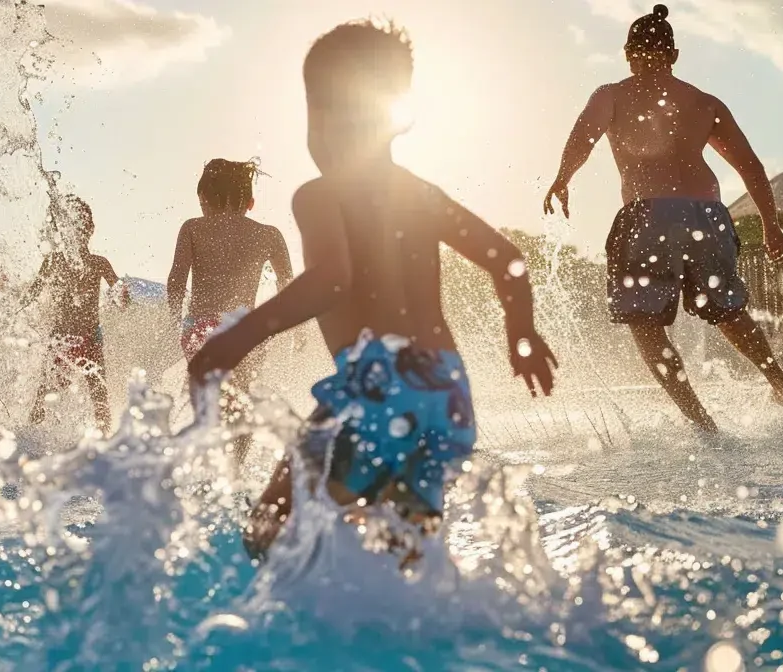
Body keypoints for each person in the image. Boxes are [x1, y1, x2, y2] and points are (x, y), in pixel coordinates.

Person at [188, 19, 558, 563]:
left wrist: (236, 338)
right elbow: (508, 260)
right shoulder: (422, 193)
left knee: (267, 533)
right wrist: (521, 336)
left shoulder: (319, 194)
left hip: (378, 384)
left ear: (322, 115)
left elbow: (332, 277)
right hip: (447, 394)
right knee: (406, 551)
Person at [543, 4, 783, 432]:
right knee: (728, 311)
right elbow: (751, 167)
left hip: (648, 214)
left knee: (645, 323)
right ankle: (782, 385)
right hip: (709, 215)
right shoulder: (705, 102)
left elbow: (584, 137)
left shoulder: (611, 94)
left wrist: (563, 178)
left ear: (628, 54)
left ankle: (703, 423)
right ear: (674, 55)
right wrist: (771, 226)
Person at [167, 159, 295, 463]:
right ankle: (233, 470)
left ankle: (203, 461)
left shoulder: (193, 228)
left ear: (205, 198)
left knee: (208, 400)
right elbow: (288, 284)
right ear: (250, 202)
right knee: (241, 403)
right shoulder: (268, 234)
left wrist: (172, 322)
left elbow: (175, 281)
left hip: (199, 330)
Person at [26, 194, 122, 434]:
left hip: (90, 339)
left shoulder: (99, 263)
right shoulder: (54, 261)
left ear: (90, 230)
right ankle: (30, 437)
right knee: (46, 395)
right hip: (63, 340)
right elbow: (32, 292)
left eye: (79, 228)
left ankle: (104, 438)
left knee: (98, 395)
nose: (76, 234)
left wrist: (122, 296)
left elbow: (121, 296)